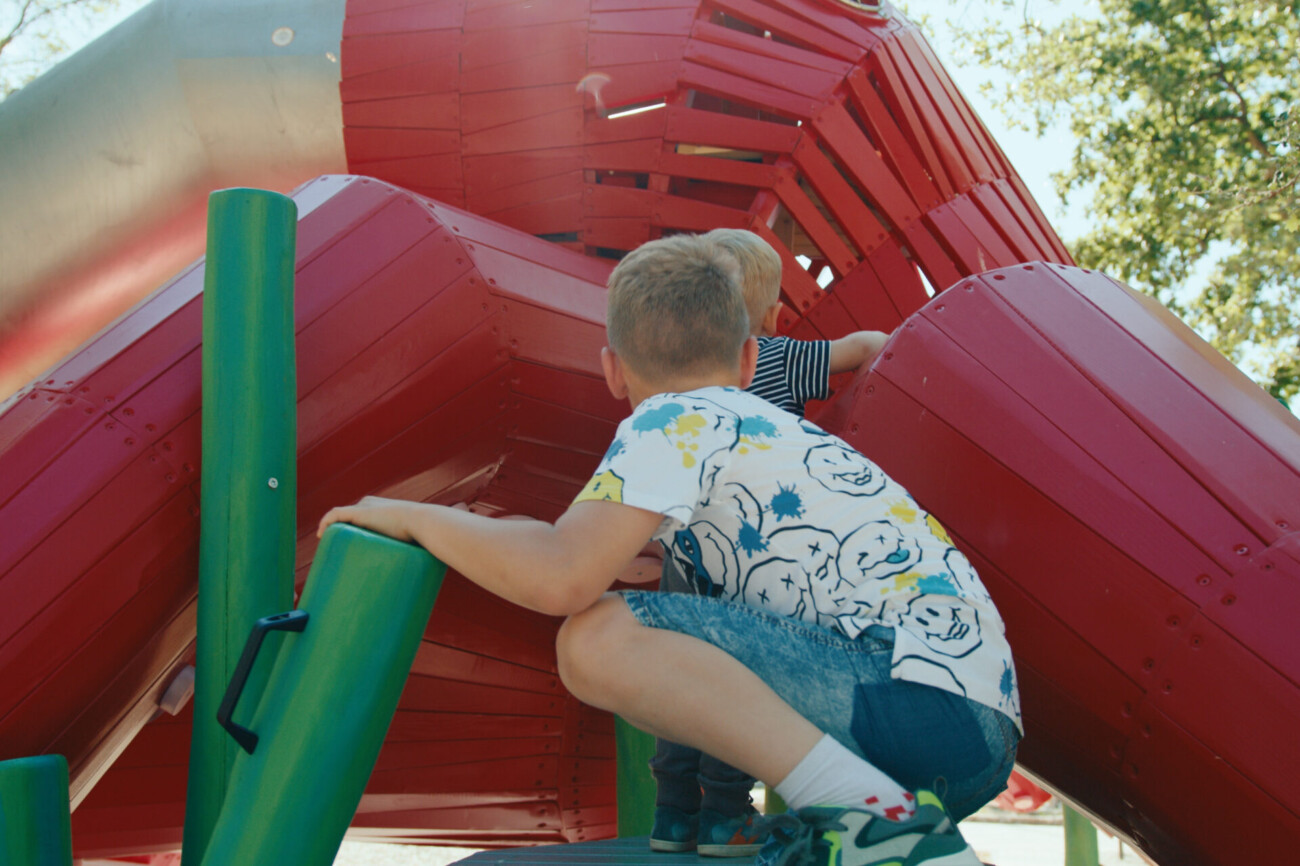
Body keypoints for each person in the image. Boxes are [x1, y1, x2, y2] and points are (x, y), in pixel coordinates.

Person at [318, 233, 1021, 866]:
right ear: (750, 357)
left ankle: (877, 820)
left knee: (597, 638)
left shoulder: (673, 421)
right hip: (964, 719)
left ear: (613, 370)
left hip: (912, 705)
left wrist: (413, 517)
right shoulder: (768, 431)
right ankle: (871, 815)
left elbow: (563, 574)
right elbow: (594, 550)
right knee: (642, 614)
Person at [645, 229, 891, 857]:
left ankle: (673, 815)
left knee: (678, 673)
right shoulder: (779, 358)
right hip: (755, 557)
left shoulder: (678, 375)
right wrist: (898, 351)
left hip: (685, 552)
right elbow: (859, 347)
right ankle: (726, 813)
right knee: (742, 676)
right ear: (771, 316)